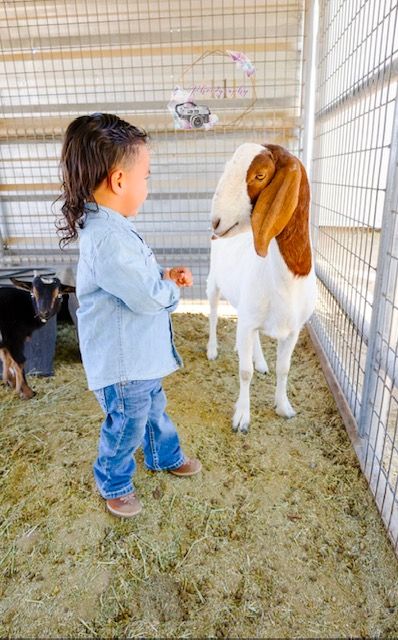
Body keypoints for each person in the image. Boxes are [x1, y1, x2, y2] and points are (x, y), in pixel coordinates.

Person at [58, 113, 201, 518]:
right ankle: (114, 480)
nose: (147, 186)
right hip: (124, 365)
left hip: (139, 358)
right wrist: (169, 288)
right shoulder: (108, 239)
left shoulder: (113, 229)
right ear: (119, 181)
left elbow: (137, 279)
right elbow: (145, 296)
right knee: (126, 425)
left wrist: (162, 274)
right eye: (146, 176)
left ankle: (164, 455)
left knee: (153, 409)